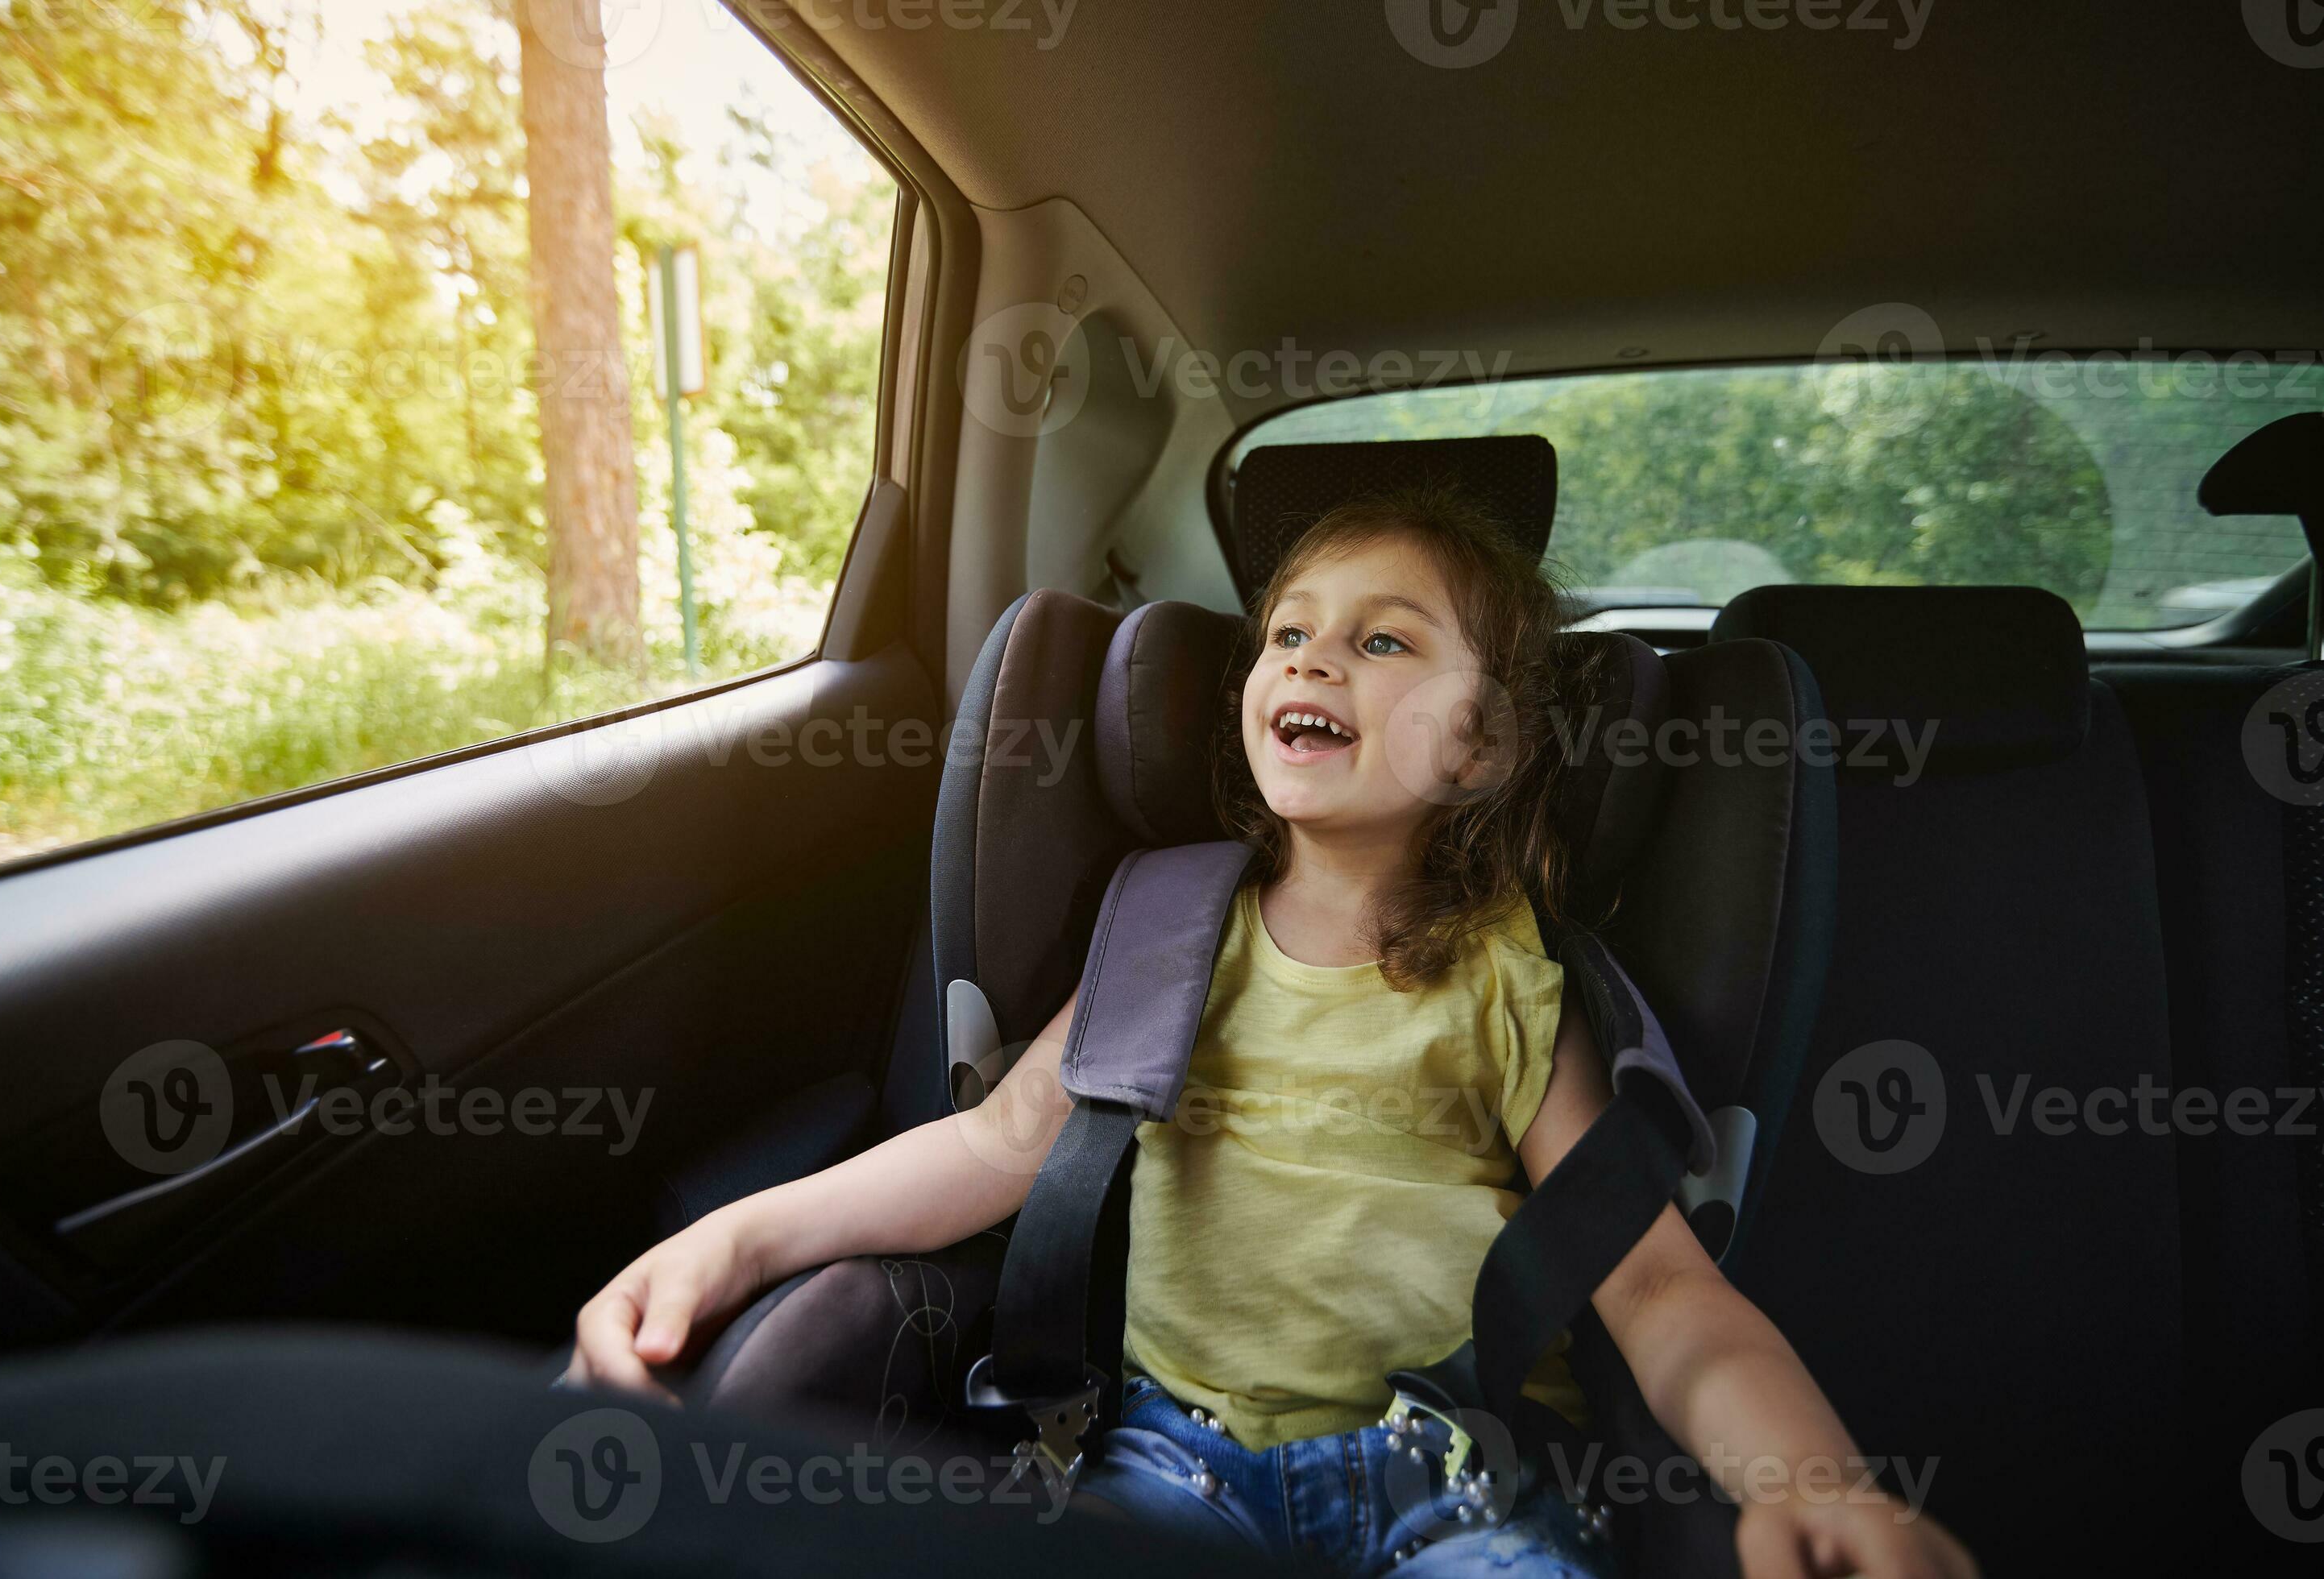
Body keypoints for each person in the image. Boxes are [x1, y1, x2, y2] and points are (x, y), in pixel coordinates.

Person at [563, 490, 1978, 1578]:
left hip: (1450, 1483)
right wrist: (730, 1240)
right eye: (1288, 632)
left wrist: (1814, 1485)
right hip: (1164, 1463)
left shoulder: (1511, 984)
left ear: (1479, 747)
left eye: (1382, 640)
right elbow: (996, 1143)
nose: (1311, 658)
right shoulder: (1162, 935)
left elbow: (1661, 1295)